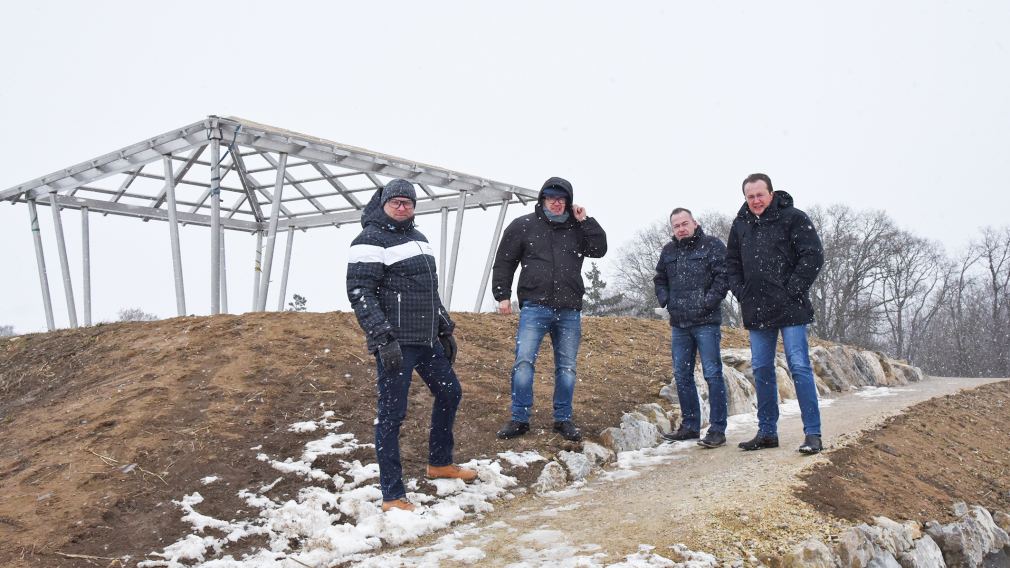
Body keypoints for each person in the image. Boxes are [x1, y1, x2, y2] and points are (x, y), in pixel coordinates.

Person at [346, 178, 477, 513]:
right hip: (396, 344)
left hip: (426, 339)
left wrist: (444, 327)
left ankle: (439, 463)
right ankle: (392, 495)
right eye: (396, 202)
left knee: (450, 392)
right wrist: (382, 338)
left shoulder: (420, 239)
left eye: (408, 202)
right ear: (384, 203)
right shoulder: (369, 239)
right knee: (391, 415)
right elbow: (361, 292)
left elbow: (427, 290)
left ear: (414, 207)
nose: (402, 206)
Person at [491, 177, 608, 442]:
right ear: (542, 199)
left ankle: (563, 419)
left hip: (569, 309)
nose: (556, 202)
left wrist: (585, 221)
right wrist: (502, 295)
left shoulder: (577, 228)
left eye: (561, 198)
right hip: (534, 307)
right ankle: (519, 418)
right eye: (551, 197)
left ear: (568, 201)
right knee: (523, 362)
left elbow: (599, 249)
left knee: (566, 367)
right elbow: (504, 261)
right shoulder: (523, 226)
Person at [726, 173, 825, 454]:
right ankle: (767, 431)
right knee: (761, 369)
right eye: (750, 196)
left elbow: (813, 255)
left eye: (760, 195)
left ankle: (813, 434)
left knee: (799, 367)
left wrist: (791, 288)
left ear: (771, 193)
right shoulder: (740, 224)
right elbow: (731, 263)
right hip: (756, 307)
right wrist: (741, 291)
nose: (756, 201)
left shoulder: (793, 217)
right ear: (745, 197)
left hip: (790, 306)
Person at [654, 207, 730, 448]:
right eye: (676, 226)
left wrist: (707, 302)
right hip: (679, 324)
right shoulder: (668, 251)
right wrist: (665, 300)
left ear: (695, 223)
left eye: (685, 223)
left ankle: (718, 429)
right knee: (682, 375)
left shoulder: (712, 245)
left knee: (712, 374)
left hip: (706, 322)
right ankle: (690, 426)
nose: (681, 229)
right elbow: (659, 278)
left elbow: (723, 276)